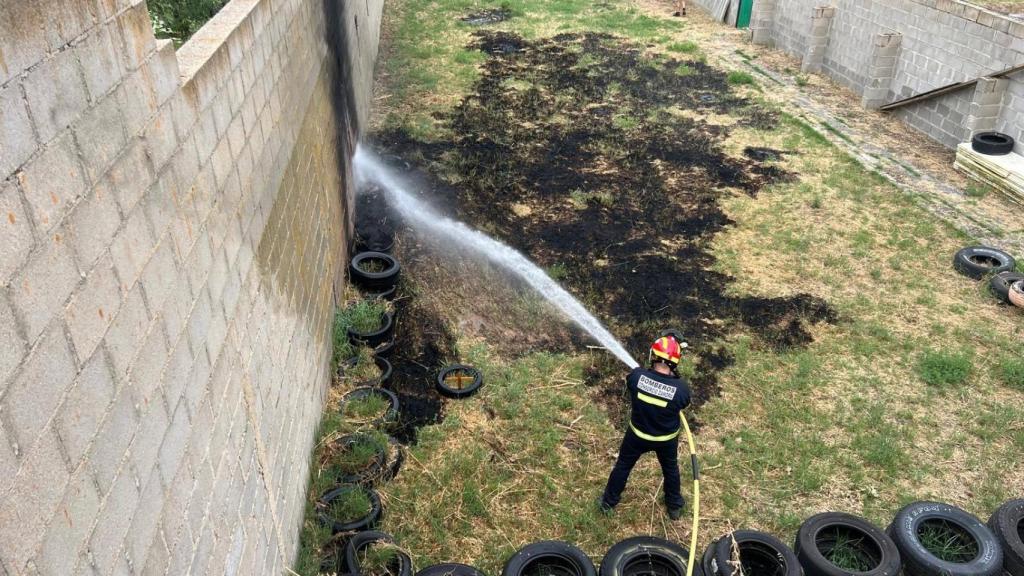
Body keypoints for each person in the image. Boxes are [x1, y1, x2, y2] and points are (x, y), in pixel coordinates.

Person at [599, 334, 692, 520]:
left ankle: (608, 503)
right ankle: (674, 507)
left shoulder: (636, 376)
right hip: (665, 440)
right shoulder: (681, 389)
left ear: (653, 356)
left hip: (637, 436)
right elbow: (683, 403)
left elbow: (635, 381)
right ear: (675, 363)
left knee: (623, 466)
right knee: (671, 470)